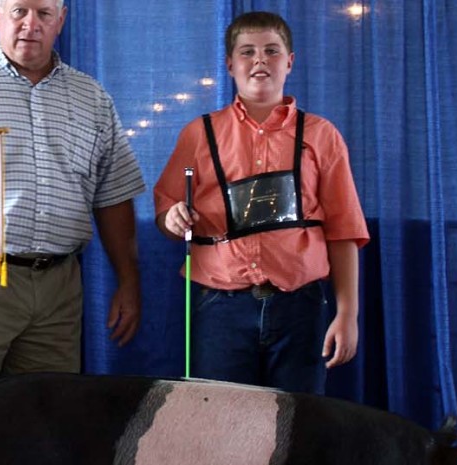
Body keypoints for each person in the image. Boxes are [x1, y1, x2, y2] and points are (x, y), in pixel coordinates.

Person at [0, 0, 146, 424]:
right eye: (19, 11)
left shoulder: (93, 99)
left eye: (44, 13)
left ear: (61, 19)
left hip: (58, 289)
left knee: (46, 425)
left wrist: (128, 281)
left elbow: (113, 195)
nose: (30, 24)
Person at [154, 11, 369, 395]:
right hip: (220, 308)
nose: (259, 61)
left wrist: (348, 313)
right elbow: (166, 208)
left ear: (290, 61)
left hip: (300, 307)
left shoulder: (321, 136)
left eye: (271, 51)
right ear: (230, 64)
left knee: (297, 424)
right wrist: (171, 218)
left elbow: (344, 230)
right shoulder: (198, 134)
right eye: (247, 52)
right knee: (219, 420)